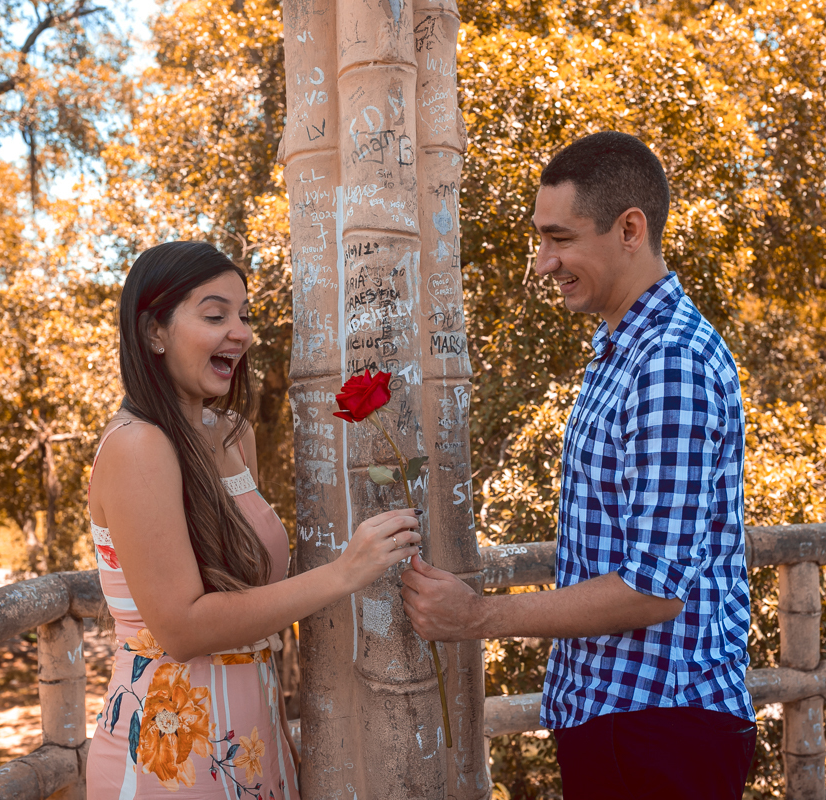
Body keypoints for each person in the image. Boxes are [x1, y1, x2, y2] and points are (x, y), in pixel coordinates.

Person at [400, 132, 755, 798]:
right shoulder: (620, 348)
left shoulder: (668, 362)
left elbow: (654, 587)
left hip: (660, 730)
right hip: (618, 721)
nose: (544, 264)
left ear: (630, 230)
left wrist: (477, 618)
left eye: (560, 239)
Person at [86, 241, 422, 799]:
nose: (240, 333)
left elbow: (253, 596)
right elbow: (183, 629)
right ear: (154, 332)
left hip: (254, 741)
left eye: (244, 316)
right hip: (171, 759)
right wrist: (344, 572)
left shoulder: (234, 435)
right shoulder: (137, 446)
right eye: (215, 316)